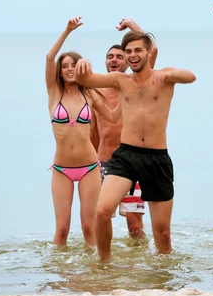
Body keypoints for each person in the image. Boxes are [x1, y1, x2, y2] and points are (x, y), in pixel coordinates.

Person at [75, 30, 196, 260]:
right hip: (126, 156)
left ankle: (161, 279)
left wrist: (170, 74)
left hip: (157, 158)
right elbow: (86, 80)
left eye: (138, 50)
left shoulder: (165, 76)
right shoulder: (121, 81)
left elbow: (190, 76)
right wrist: (82, 65)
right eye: (128, 51)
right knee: (102, 211)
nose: (132, 55)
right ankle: (105, 263)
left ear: (149, 52)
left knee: (163, 235)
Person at [45, 16, 121, 247]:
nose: (68, 70)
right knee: (62, 229)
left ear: (80, 68)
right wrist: (67, 30)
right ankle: (58, 278)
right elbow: (49, 57)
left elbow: (114, 116)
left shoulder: (91, 94)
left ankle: (94, 276)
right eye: (64, 66)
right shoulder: (54, 94)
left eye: (72, 65)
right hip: (61, 168)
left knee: (89, 228)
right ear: (59, 71)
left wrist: (131, 94)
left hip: (89, 167)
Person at [90, 18, 158, 239]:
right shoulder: (95, 91)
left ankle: (139, 267)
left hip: (132, 163)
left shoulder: (137, 85)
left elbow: (153, 49)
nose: (114, 60)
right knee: (99, 219)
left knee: (135, 225)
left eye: (120, 56)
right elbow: (92, 133)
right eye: (110, 56)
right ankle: (104, 267)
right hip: (102, 163)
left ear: (128, 61)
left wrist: (132, 25)